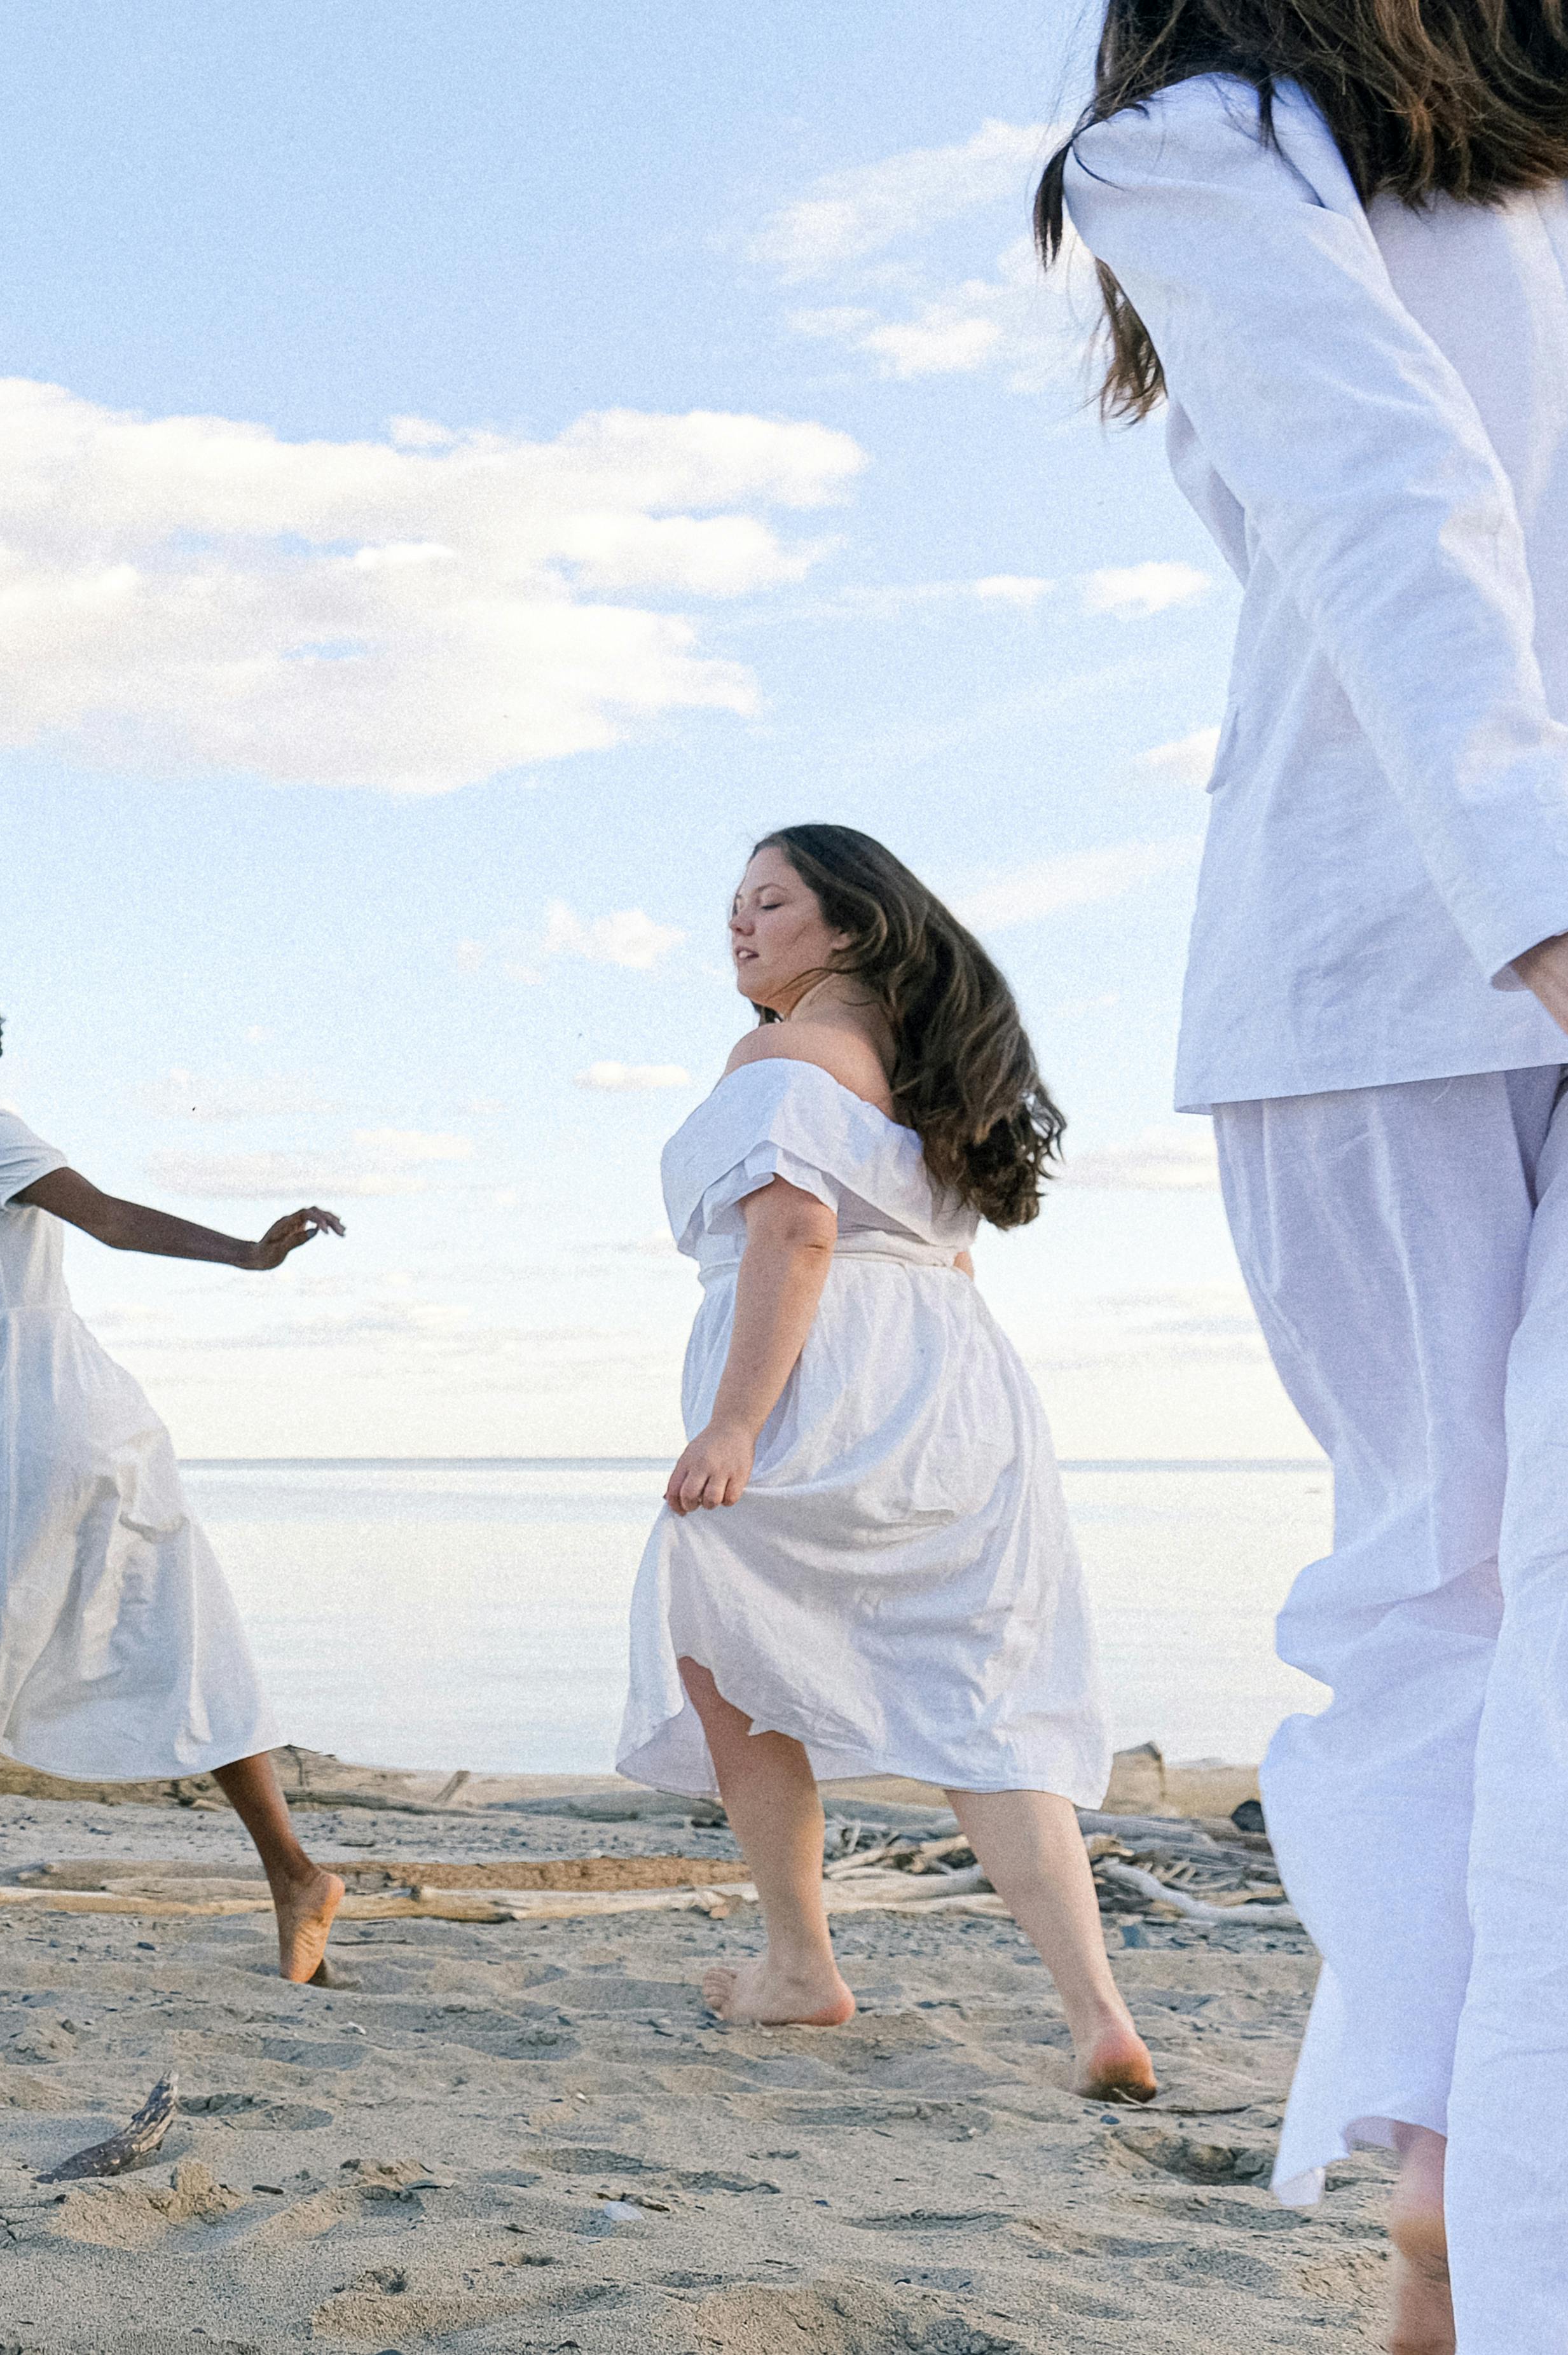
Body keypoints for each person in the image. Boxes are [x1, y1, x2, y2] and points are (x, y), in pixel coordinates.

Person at [1044, 6, 1568, 2341]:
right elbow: (1378, 482)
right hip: (1396, 950)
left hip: (1418, 928)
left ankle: (1466, 2203)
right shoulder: (1200, 142)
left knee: (1457, 1603)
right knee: (1443, 1591)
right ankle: (1455, 2195)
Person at [621, 828, 1151, 2105]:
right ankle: (1096, 2013)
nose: (737, 927)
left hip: (826, 1382)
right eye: (731, 904)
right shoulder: (926, 1087)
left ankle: (797, 1960)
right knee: (987, 1704)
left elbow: (794, 1230)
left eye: (768, 902)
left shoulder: (780, 1056)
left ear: (852, 926)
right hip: (958, 1392)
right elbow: (938, 1258)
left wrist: (736, 1423)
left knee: (717, 1643)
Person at [0, 936, 350, 1982]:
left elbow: (107, 1219)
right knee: (171, 1644)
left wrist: (247, 1254)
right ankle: (296, 1878)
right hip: (64, 1424)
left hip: (46, 1436)